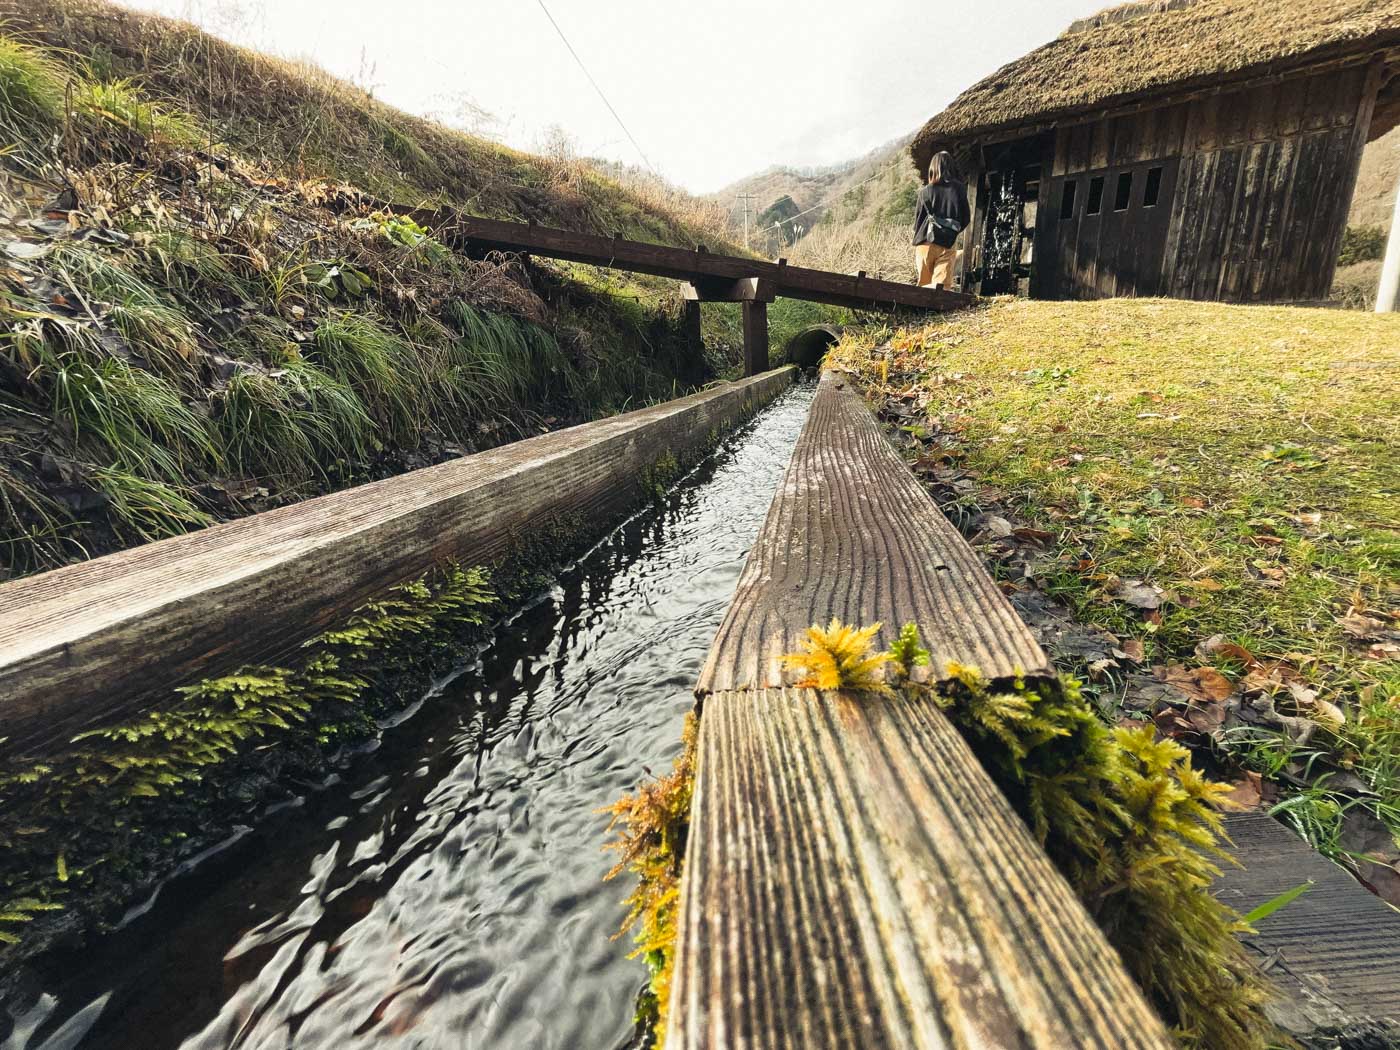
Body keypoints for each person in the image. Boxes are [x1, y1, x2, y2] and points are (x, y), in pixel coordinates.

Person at [912, 151, 971, 290]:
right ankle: (938, 312)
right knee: (941, 287)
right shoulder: (959, 189)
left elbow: (917, 223)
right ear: (951, 167)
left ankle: (923, 311)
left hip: (925, 242)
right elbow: (966, 218)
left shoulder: (925, 191)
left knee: (923, 287)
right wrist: (951, 231)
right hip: (947, 243)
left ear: (932, 168)